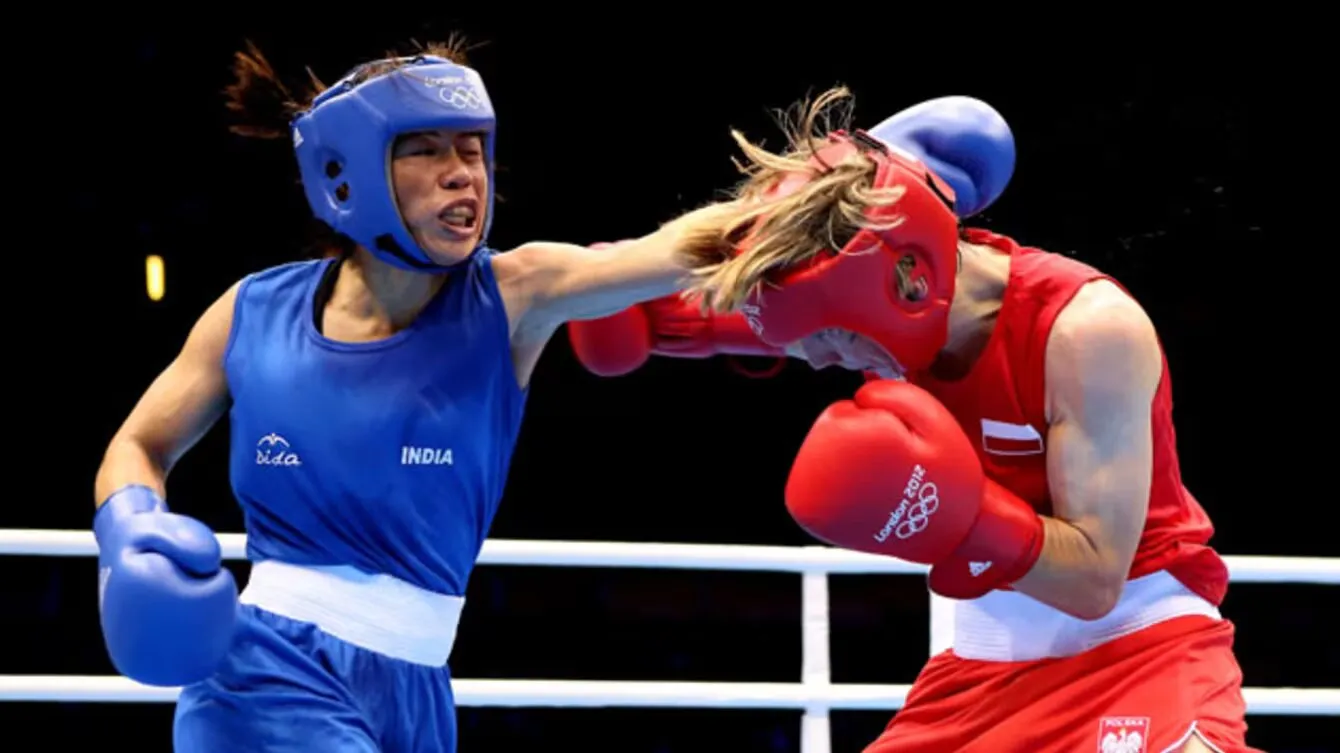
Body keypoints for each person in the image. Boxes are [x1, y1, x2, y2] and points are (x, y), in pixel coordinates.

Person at [91, 38, 753, 752]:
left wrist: (821, 194)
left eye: (472, 151)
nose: (461, 175)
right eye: (428, 151)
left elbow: (673, 250)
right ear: (350, 171)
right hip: (263, 673)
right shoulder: (251, 311)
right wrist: (129, 527)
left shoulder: (516, 294)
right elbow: (139, 443)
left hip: (418, 689)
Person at [566, 88, 1258, 752]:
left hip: (1140, 643)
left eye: (836, 341)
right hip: (983, 667)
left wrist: (962, 514)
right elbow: (761, 317)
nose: (823, 363)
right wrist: (639, 310)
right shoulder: (868, 307)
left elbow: (1094, 578)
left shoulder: (1086, 331)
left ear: (908, 286)